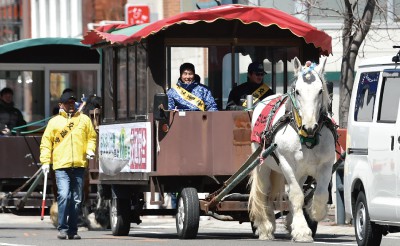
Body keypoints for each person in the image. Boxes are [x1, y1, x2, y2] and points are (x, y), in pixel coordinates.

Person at [40, 92, 97, 240]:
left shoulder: (84, 120)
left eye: (72, 103)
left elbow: (91, 137)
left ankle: (73, 229)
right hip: (61, 166)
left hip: (79, 164)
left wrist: (90, 149)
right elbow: (46, 143)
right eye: (67, 103)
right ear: (61, 105)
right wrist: (45, 162)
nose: (71, 105)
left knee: (77, 199)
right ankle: (62, 228)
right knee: (64, 196)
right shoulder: (54, 122)